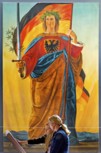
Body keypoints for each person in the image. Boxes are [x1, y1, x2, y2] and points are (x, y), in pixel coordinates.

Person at [16, 11, 83, 145]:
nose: (50, 22)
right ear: (44, 22)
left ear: (56, 22)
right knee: (40, 109)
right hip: (44, 81)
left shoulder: (65, 38)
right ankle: (39, 136)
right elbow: (29, 57)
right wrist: (22, 63)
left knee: (60, 108)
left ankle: (60, 136)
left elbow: (74, 57)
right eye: (48, 20)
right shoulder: (39, 39)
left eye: (52, 19)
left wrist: (74, 40)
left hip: (61, 82)